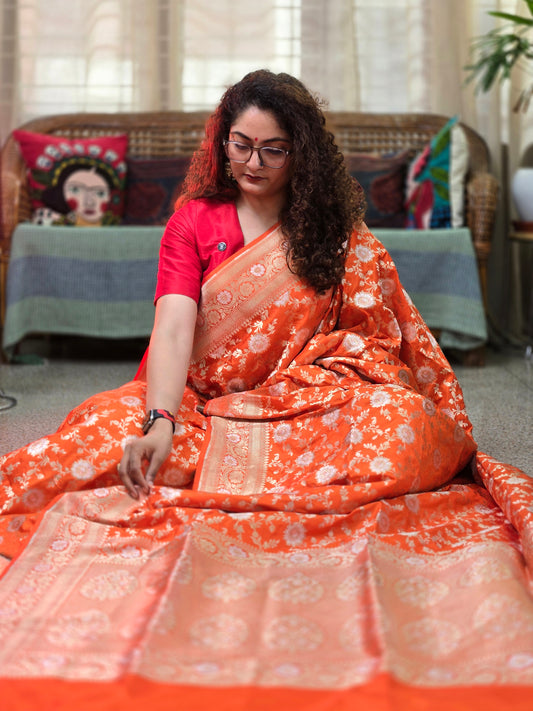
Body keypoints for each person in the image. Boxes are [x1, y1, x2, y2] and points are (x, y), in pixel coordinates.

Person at [3, 70, 532, 710]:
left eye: (272, 148)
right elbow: (173, 329)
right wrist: (161, 418)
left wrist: (322, 383)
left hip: (302, 401)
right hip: (198, 403)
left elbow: (372, 334)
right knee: (101, 443)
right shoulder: (194, 221)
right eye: (240, 144)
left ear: (299, 151)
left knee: (404, 426)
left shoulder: (332, 230)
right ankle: (214, 457)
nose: (253, 162)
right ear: (222, 143)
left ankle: (229, 469)